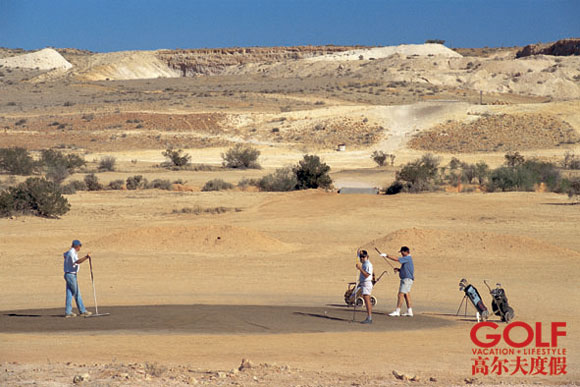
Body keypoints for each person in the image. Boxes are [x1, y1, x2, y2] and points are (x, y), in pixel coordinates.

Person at [382, 246, 414, 317]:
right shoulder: (407, 259)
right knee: (406, 295)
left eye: (402, 252)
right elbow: (407, 270)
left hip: (406, 280)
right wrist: (399, 270)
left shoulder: (407, 258)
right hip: (408, 279)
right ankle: (409, 311)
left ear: (406, 252)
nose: (401, 254)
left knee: (400, 294)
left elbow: (397, 259)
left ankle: (397, 311)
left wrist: (387, 255)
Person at [63, 240, 92, 318]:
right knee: (77, 293)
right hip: (70, 275)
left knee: (69, 293)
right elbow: (77, 261)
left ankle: (68, 312)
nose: (80, 247)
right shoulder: (72, 253)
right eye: (79, 246)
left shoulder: (71, 252)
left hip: (70, 274)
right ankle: (82, 311)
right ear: (76, 246)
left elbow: (64, 255)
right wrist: (86, 257)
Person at [355, 249, 374, 324]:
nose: (361, 258)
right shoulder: (364, 263)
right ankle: (368, 317)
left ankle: (369, 318)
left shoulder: (368, 264)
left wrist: (360, 269)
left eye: (363, 257)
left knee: (367, 300)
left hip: (367, 283)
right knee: (366, 300)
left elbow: (366, 275)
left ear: (366, 256)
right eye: (361, 257)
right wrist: (358, 253)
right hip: (364, 283)